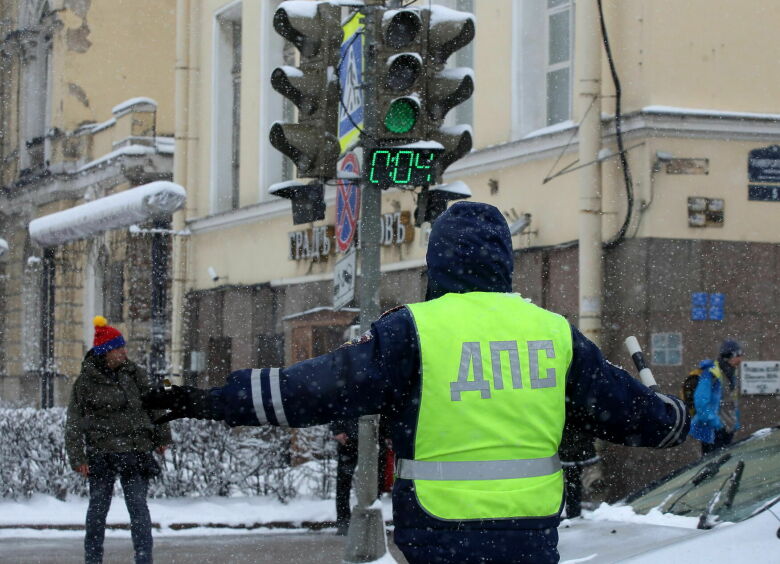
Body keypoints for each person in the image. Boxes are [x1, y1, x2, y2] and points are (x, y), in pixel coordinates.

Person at [144, 202, 689, 564]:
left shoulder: (414, 331)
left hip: (438, 531)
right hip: (530, 536)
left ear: (437, 263)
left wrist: (207, 400)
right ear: (505, 261)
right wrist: (675, 418)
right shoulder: (554, 334)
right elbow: (641, 418)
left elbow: (311, 389)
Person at [66, 316, 171, 564]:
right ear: (105, 352)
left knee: (138, 510)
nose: (124, 352)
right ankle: (93, 560)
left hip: (135, 451)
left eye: (123, 347)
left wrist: (161, 436)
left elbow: (155, 404)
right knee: (98, 512)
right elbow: (74, 421)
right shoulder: (85, 383)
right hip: (101, 453)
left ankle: (144, 559)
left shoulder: (135, 375)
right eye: (118, 348)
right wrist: (77, 457)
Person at [331, 416, 393, 535]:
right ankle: (345, 522)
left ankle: (373, 522)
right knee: (344, 483)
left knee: (375, 485)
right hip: (351, 439)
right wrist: (337, 430)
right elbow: (336, 403)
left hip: (374, 437)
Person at [690, 339, 743, 456]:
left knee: (723, 462)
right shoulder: (711, 373)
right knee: (711, 463)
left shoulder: (731, 374)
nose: (740, 359)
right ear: (729, 356)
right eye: (738, 355)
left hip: (727, 428)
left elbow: (731, 401)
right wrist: (714, 422)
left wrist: (735, 421)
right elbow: (700, 401)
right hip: (713, 430)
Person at [558, 426, 599, 519]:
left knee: (572, 479)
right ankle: (573, 511)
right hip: (577, 444)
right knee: (574, 479)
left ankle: (572, 511)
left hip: (570, 444)